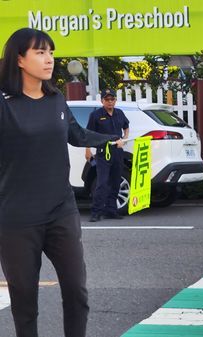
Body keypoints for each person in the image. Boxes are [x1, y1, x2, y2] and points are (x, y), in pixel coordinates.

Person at [0, 28, 124, 337]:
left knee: (76, 291)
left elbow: (77, 135)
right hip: (16, 218)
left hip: (61, 211)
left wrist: (111, 141)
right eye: (40, 52)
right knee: (25, 302)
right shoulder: (4, 104)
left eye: (51, 52)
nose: (49, 59)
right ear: (19, 59)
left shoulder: (55, 99)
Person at [85, 89, 130, 222]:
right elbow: (88, 133)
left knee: (116, 182)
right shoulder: (96, 115)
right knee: (102, 183)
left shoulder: (119, 113)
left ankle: (111, 210)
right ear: (102, 101)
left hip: (117, 152)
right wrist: (87, 150)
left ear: (115, 100)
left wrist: (124, 139)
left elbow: (126, 127)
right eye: (107, 99)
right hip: (103, 152)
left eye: (112, 99)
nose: (110, 102)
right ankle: (96, 212)